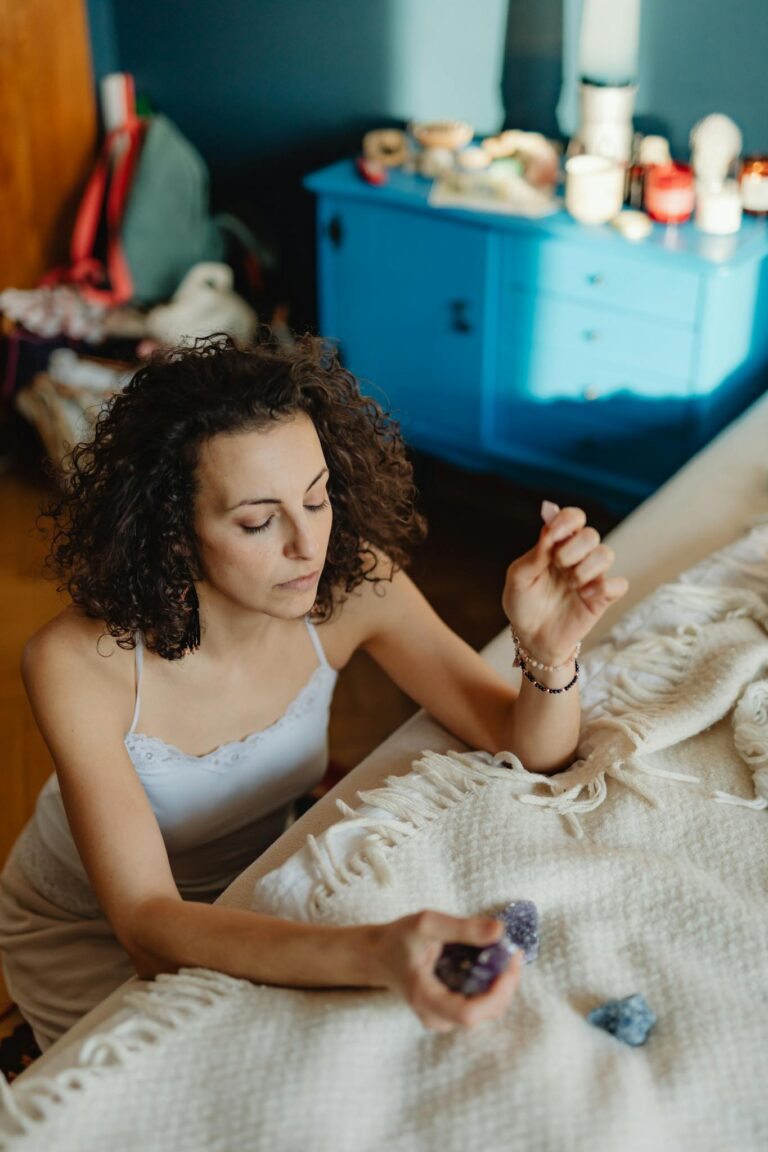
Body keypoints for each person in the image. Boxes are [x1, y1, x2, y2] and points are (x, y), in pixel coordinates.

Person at [0, 333, 628, 1052]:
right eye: (258, 521)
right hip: (90, 927)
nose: (309, 545)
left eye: (317, 497)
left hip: (255, 886)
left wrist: (549, 651)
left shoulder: (353, 583)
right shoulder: (76, 663)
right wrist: (373, 953)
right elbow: (146, 926)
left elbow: (530, 747)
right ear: (173, 532)